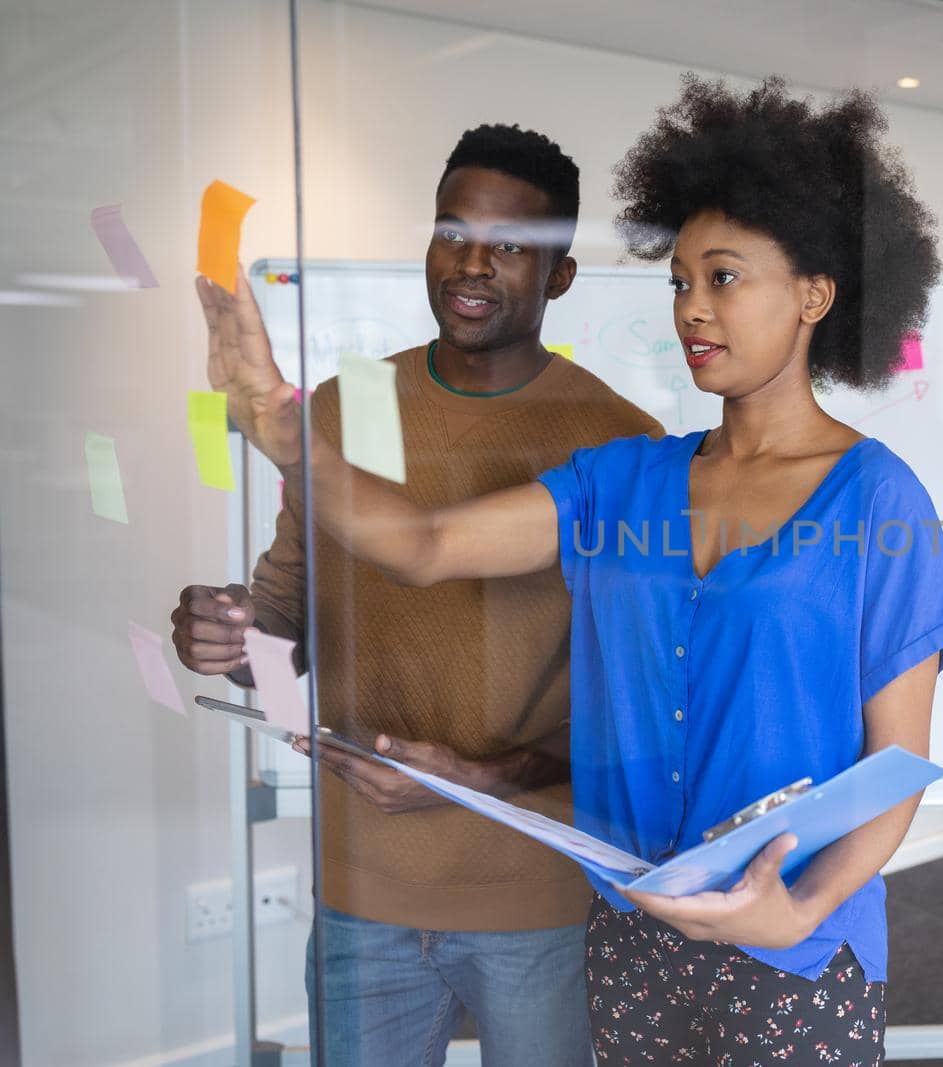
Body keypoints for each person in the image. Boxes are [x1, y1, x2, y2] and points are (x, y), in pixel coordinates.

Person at [197, 76, 943, 1066]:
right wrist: (279, 421)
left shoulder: (877, 497)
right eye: (681, 280)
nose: (693, 308)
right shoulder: (625, 477)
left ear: (815, 295)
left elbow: (895, 764)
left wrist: (801, 907)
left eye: (725, 278)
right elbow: (425, 544)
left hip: (796, 946)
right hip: (632, 935)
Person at [172, 124, 660, 1066]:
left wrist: (485, 777)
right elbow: (290, 613)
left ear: (560, 276)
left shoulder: (619, 444)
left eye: (512, 244)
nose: (471, 263)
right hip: (363, 896)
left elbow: (636, 710)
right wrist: (235, 635)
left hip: (537, 899)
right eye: (452, 231)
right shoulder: (344, 406)